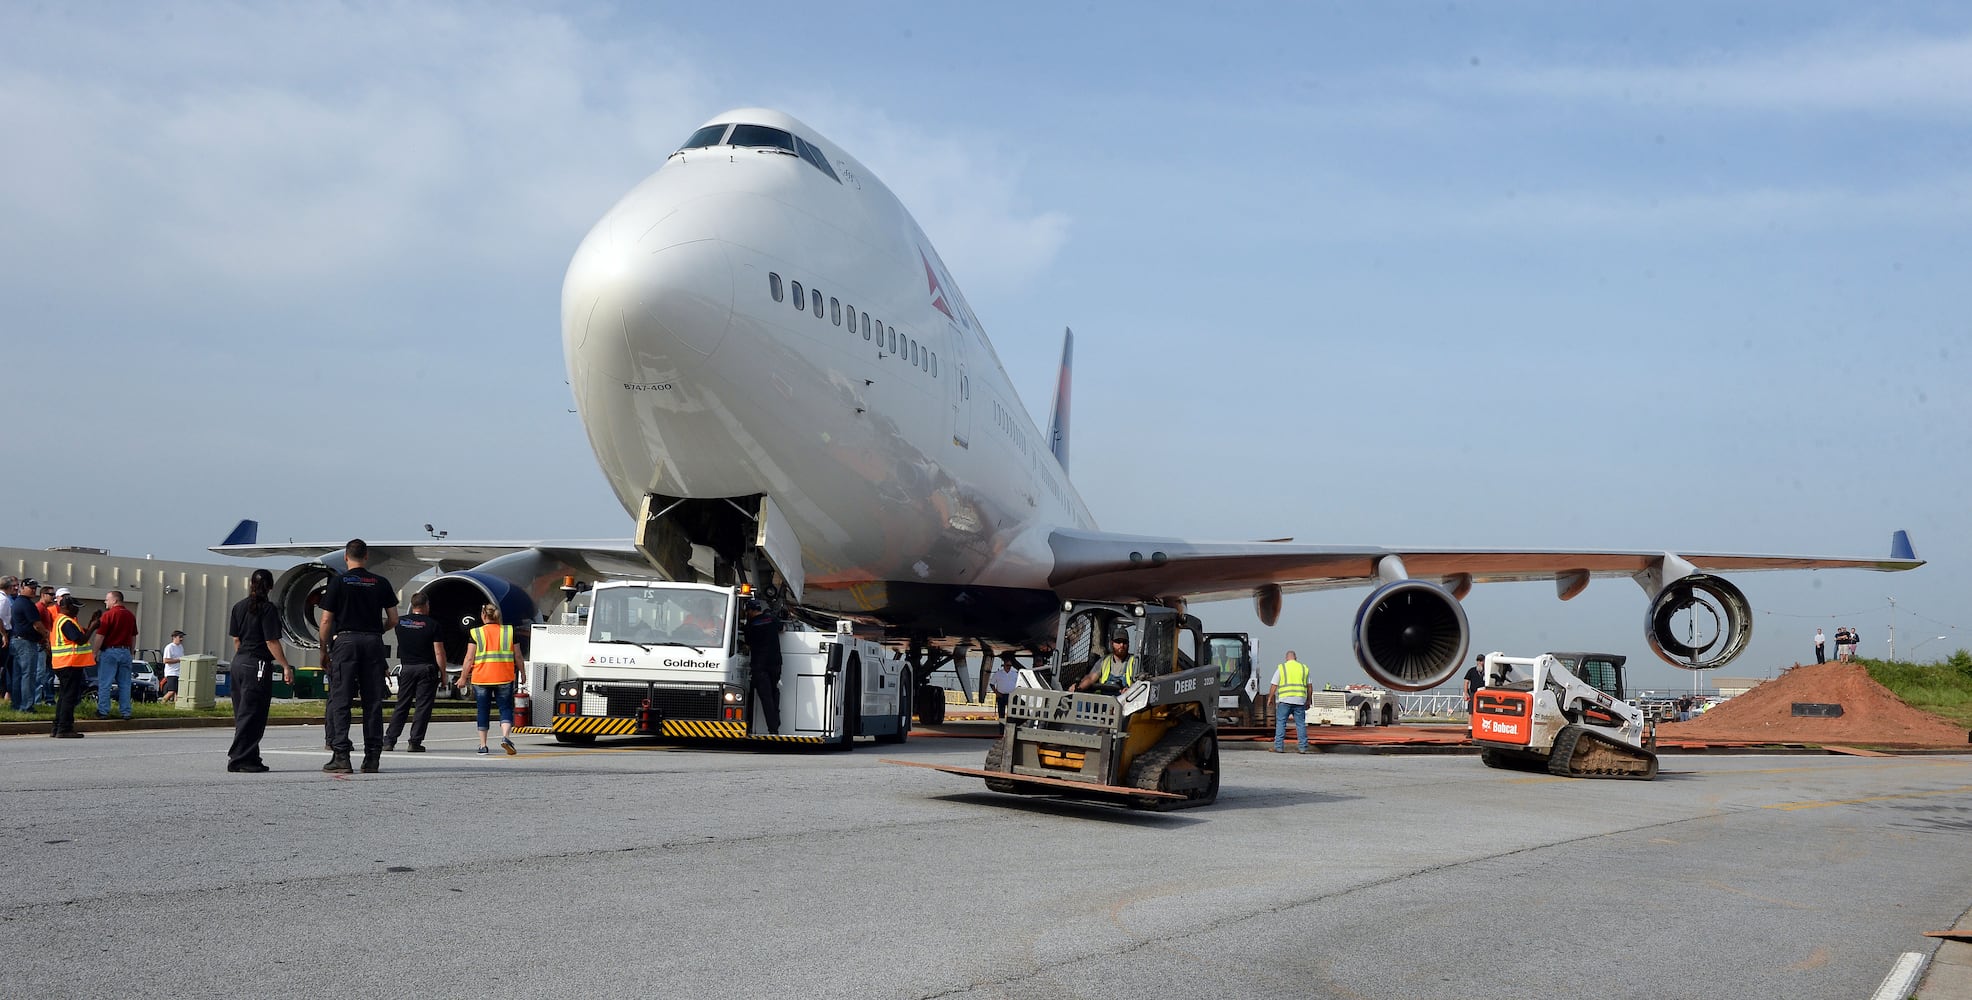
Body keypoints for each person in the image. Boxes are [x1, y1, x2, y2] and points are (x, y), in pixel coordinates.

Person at [315, 539, 399, 774]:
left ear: (345, 557)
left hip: (345, 642)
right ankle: (372, 757)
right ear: (367, 557)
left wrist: (324, 650)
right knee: (372, 702)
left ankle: (341, 755)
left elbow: (325, 621)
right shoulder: (380, 583)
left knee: (341, 700)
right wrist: (373, 630)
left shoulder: (338, 582)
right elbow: (393, 619)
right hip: (372, 643)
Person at [227, 569, 295, 772]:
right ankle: (239, 758)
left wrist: (243, 658)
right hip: (257, 664)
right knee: (254, 713)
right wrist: (285, 665)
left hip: (239, 662)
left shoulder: (238, 607)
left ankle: (251, 755)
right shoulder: (268, 609)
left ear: (251, 584)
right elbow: (271, 641)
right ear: (271, 586)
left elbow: (236, 639)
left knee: (242, 712)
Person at [384, 593, 446, 752]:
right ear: (426, 605)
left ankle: (389, 740)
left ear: (412, 605)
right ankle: (414, 742)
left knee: (402, 705)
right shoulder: (433, 624)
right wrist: (443, 675)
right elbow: (439, 652)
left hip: (407, 668)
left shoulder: (401, 622)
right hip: (426, 668)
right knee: (422, 707)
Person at [461, 603, 524, 756]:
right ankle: (505, 737)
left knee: (483, 710)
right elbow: (518, 656)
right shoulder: (509, 631)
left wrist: (463, 677)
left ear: (483, 616)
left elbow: (469, 658)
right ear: (497, 616)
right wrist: (523, 672)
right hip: (504, 677)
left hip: (481, 678)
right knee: (506, 709)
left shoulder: (476, 633)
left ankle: (483, 745)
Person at [47, 595, 93, 738]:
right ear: (66, 607)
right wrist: (94, 627)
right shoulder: (66, 622)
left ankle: (57, 727)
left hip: (63, 663)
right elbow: (80, 640)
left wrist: (92, 623)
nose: (77, 611)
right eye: (75, 608)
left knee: (63, 696)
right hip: (70, 663)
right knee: (69, 697)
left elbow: (79, 635)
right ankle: (64, 728)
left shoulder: (63, 620)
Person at [92, 589, 139, 720]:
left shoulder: (108, 615)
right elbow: (133, 636)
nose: (105, 601)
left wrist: (94, 652)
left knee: (105, 683)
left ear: (115, 600)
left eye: (107, 599)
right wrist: (131, 651)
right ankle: (126, 712)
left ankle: (103, 711)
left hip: (110, 651)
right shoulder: (130, 615)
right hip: (125, 651)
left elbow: (100, 636)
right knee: (125, 684)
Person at [740, 601, 783, 735]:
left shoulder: (750, 626)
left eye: (747, 612)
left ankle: (773, 728)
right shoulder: (772, 619)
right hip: (776, 662)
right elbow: (782, 628)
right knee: (774, 691)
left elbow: (748, 646)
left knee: (765, 697)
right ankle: (776, 722)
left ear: (751, 611)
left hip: (760, 665)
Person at [5, 577, 44, 712]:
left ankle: (16, 704)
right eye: (31, 588)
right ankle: (26, 706)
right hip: (26, 642)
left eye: (35, 588)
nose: (33, 590)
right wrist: (46, 635)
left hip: (16, 641)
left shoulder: (17, 602)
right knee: (28, 675)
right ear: (22, 588)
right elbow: (37, 625)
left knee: (18, 675)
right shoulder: (27, 604)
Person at [1269, 650, 1311, 753]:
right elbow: (1309, 686)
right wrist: (1308, 700)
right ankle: (1302, 748)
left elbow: (1274, 684)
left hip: (1285, 700)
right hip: (1299, 701)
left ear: (1286, 658)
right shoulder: (1303, 668)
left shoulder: (1282, 668)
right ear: (1296, 658)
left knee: (1281, 723)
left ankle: (1278, 747)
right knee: (1300, 724)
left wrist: (1270, 698)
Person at [989, 650, 1020, 720]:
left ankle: (1010, 728)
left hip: (1011, 696)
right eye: (1007, 665)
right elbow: (991, 684)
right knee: (1001, 715)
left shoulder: (1015, 674)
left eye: (1010, 665)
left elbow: (1019, 684)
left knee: (1011, 715)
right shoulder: (998, 673)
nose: (1009, 667)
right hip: (1001, 696)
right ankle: (1001, 730)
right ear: (1004, 665)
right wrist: (996, 693)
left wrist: (1016, 693)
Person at [160, 630, 185, 704]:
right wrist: (178, 660)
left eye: (182, 637)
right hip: (172, 673)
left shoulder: (180, 647)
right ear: (174, 637)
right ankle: (162, 703)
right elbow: (165, 660)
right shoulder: (169, 647)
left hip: (179, 672)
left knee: (178, 692)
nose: (181, 639)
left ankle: (176, 706)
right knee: (171, 691)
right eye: (180, 637)